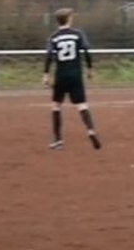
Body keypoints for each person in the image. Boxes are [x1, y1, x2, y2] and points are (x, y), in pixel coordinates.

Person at [43, 9, 101, 151]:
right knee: (82, 105)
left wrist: (46, 74)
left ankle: (58, 140)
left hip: (61, 75)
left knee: (56, 106)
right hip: (76, 74)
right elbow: (86, 51)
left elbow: (49, 56)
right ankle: (90, 130)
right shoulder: (78, 34)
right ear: (68, 19)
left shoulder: (54, 37)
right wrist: (90, 69)